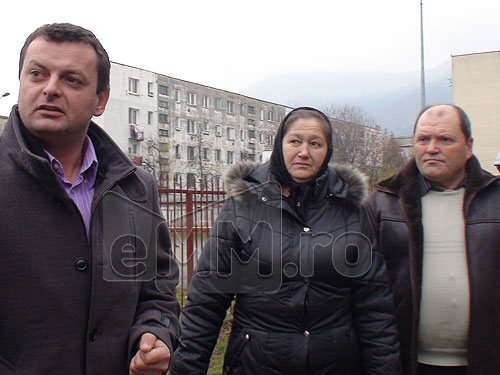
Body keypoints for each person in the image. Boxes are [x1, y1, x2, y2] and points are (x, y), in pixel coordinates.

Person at [0, 23, 180, 375]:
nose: (50, 89)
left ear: (100, 100)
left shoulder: (136, 188)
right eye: (37, 74)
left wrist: (155, 334)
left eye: (71, 80)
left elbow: (157, 292)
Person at [170, 107, 401, 375]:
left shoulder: (350, 209)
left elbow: (374, 306)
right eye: (295, 141)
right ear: (280, 145)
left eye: (315, 143)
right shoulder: (244, 204)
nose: (304, 151)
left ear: (327, 151)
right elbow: (207, 300)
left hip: (336, 363)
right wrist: (187, 368)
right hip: (257, 363)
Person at [365, 104, 500, 375]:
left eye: (445, 139)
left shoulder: (495, 199)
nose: (431, 148)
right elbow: (364, 292)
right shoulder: (382, 204)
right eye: (423, 139)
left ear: (468, 145)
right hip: (406, 362)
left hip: (487, 361)